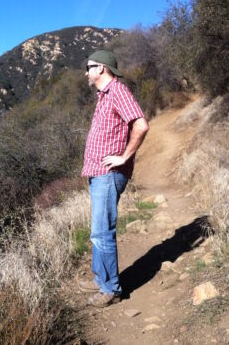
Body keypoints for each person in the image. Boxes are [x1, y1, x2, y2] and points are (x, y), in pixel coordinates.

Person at [80, 50, 149, 308]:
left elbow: (141, 125)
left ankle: (111, 289)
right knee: (97, 232)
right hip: (99, 174)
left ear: (102, 68)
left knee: (102, 232)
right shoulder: (104, 96)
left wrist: (123, 157)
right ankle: (101, 279)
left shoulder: (118, 91)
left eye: (89, 67)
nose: (86, 72)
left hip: (108, 175)